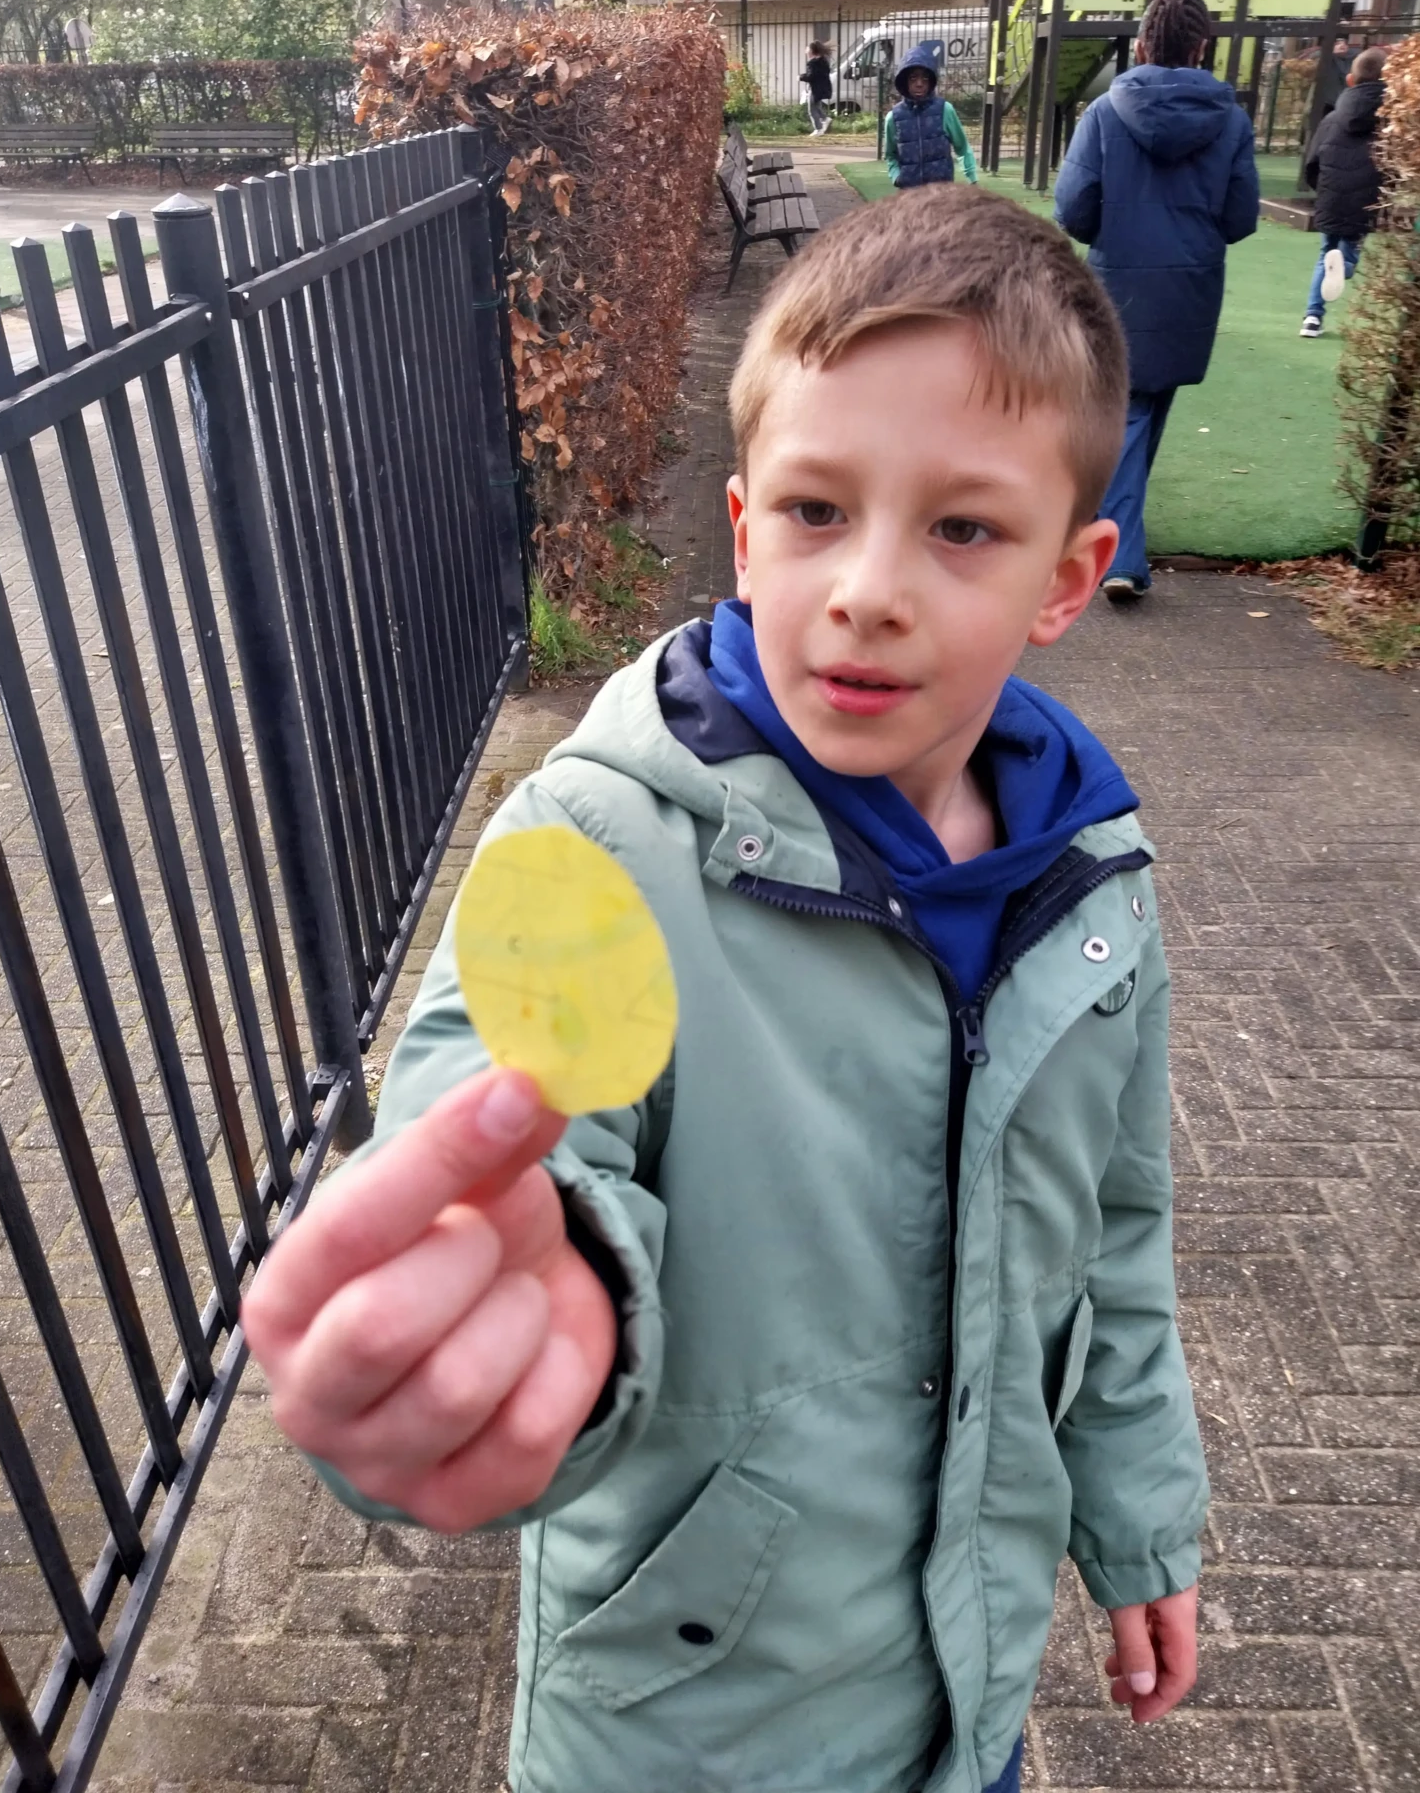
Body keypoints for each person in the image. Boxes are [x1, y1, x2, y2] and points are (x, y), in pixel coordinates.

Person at [244, 188, 1208, 1793]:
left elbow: (1115, 1234)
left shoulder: (1092, 884)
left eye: (963, 529)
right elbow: (510, 1134)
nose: (869, 587)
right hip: (680, 1732)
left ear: (1069, 574)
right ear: (747, 528)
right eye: (820, 510)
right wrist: (517, 1292)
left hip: (962, 1709)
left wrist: (1142, 1522)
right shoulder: (593, 848)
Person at [1053, 0, 1259, 602]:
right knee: (1146, 404)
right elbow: (1240, 216)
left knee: (1127, 409)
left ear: (1141, 45)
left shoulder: (1104, 114)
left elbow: (1074, 209)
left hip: (1118, 280)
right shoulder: (1231, 120)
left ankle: (1118, 548)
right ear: (1201, 48)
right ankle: (1120, 539)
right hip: (1190, 281)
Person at [1300, 44, 1386, 335]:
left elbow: (1312, 162)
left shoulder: (1331, 119)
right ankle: (1345, 266)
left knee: (1327, 252)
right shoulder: (1388, 123)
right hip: (1366, 199)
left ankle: (1312, 318)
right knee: (1347, 254)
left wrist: (1322, 190)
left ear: (1350, 80)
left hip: (1331, 196)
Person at [883, 44, 979, 186]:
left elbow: (962, 147)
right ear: (905, 81)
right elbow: (891, 155)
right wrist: (896, 176)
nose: (919, 83)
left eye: (925, 78)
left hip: (941, 191)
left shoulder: (944, 110)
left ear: (931, 81)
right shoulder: (894, 117)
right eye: (913, 78)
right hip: (911, 193)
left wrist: (972, 179)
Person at [801, 40, 833, 135]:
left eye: (808, 49)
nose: (806, 51)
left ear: (812, 51)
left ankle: (818, 129)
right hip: (823, 88)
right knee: (816, 106)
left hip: (815, 89)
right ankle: (825, 119)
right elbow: (818, 75)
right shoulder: (824, 61)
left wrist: (800, 77)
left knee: (811, 109)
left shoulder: (812, 63)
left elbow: (811, 76)